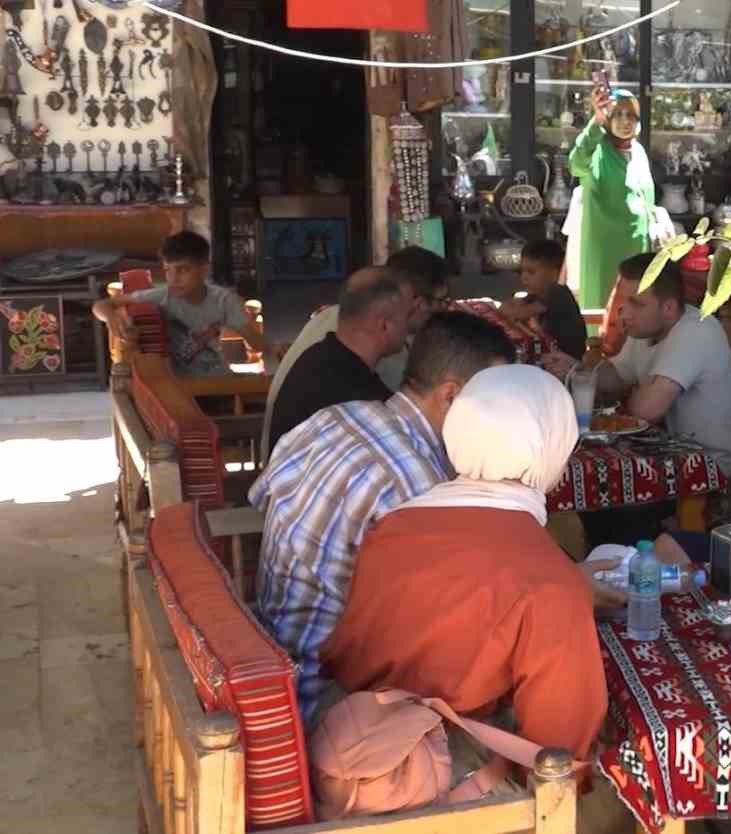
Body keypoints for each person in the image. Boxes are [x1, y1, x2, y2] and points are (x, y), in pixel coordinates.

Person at [320, 364, 606, 762]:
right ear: (555, 447)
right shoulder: (550, 583)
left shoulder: (393, 525)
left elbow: (353, 651)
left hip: (352, 735)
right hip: (441, 772)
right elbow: (558, 752)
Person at [251, 312, 517, 721]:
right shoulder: (418, 485)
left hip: (270, 646)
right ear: (450, 395)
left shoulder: (334, 417)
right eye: (496, 404)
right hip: (321, 697)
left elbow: (261, 497)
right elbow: (435, 628)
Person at [262, 247, 450, 455]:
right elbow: (410, 430)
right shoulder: (352, 388)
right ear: (384, 323)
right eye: (407, 313)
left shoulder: (330, 351)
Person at [586, 254, 731, 478]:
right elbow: (617, 379)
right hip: (680, 455)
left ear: (668, 308)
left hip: (723, 465)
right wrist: (582, 368)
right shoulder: (645, 329)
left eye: (636, 303)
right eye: (624, 300)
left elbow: (646, 410)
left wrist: (632, 391)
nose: (624, 313)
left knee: (605, 490)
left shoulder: (696, 330)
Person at [93, 231, 271, 375]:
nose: (173, 279)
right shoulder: (161, 296)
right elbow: (100, 305)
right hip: (172, 384)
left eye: (183, 270)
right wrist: (110, 316)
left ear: (204, 269)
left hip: (216, 377)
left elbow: (256, 342)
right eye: (168, 270)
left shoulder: (224, 300)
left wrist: (277, 348)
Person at [570, 86, 654, 311]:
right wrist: (596, 122)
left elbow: (646, 201)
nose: (625, 121)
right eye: (617, 114)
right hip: (605, 254)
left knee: (637, 312)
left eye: (631, 115)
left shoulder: (638, 152)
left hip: (638, 252)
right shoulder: (597, 150)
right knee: (604, 314)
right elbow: (576, 163)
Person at [502, 239, 587, 361]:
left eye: (531, 272)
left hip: (566, 361)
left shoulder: (558, 292)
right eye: (522, 271)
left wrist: (514, 309)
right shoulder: (537, 296)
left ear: (553, 274)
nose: (524, 277)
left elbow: (518, 313)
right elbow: (506, 307)